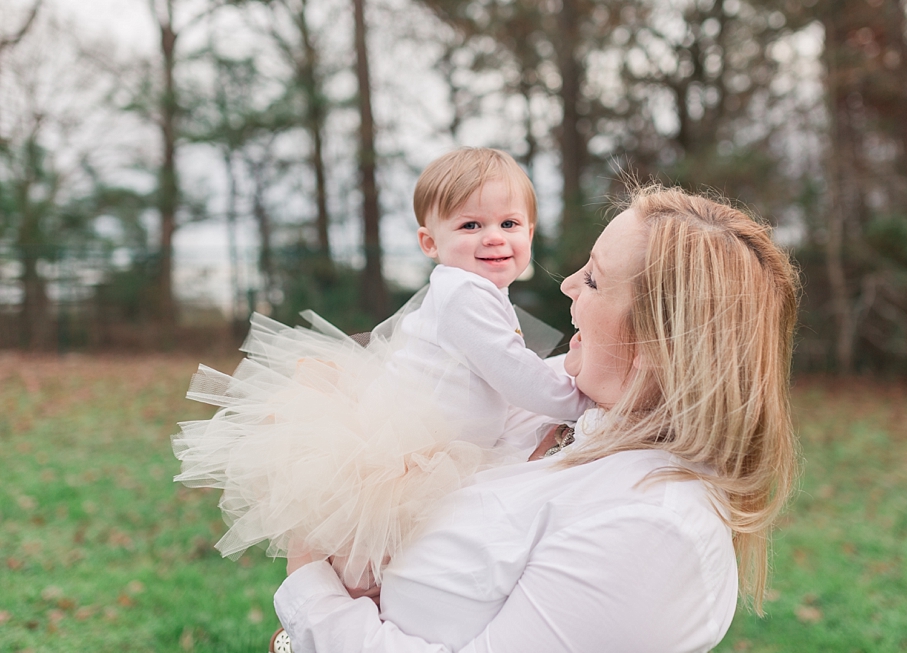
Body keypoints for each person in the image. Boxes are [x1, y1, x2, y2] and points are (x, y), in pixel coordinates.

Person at [273, 184, 800, 652]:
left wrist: (308, 589)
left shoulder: (652, 527)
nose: (567, 284)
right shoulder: (551, 393)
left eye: (593, 280)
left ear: (654, 345)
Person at [172, 148, 591, 590]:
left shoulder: (474, 289)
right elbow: (515, 373)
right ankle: (331, 619)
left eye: (509, 223)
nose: (493, 237)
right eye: (471, 225)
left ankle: (333, 608)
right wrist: (579, 397)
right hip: (411, 451)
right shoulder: (465, 293)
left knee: (388, 557)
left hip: (432, 440)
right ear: (430, 242)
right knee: (372, 564)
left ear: (530, 231)